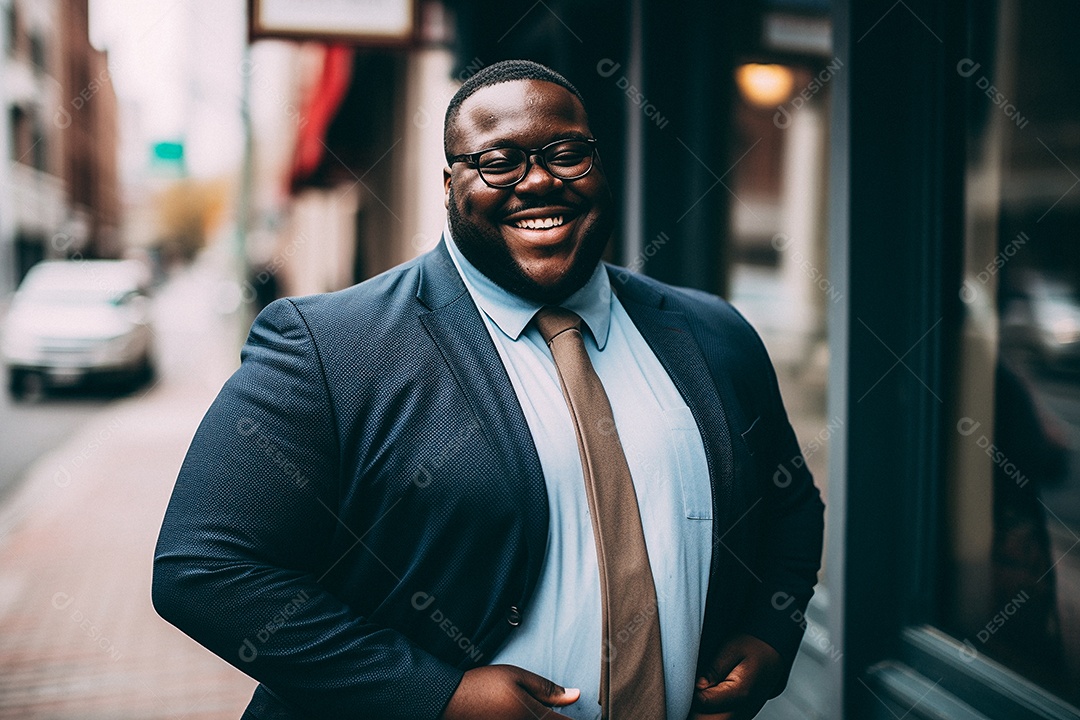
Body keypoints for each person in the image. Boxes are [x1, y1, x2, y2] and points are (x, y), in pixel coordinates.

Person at [153, 59, 824, 720]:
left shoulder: (713, 333)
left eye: (567, 152)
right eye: (498, 161)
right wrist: (437, 697)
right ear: (449, 185)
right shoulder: (331, 347)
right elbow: (205, 570)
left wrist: (771, 630)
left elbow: (791, 507)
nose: (539, 181)